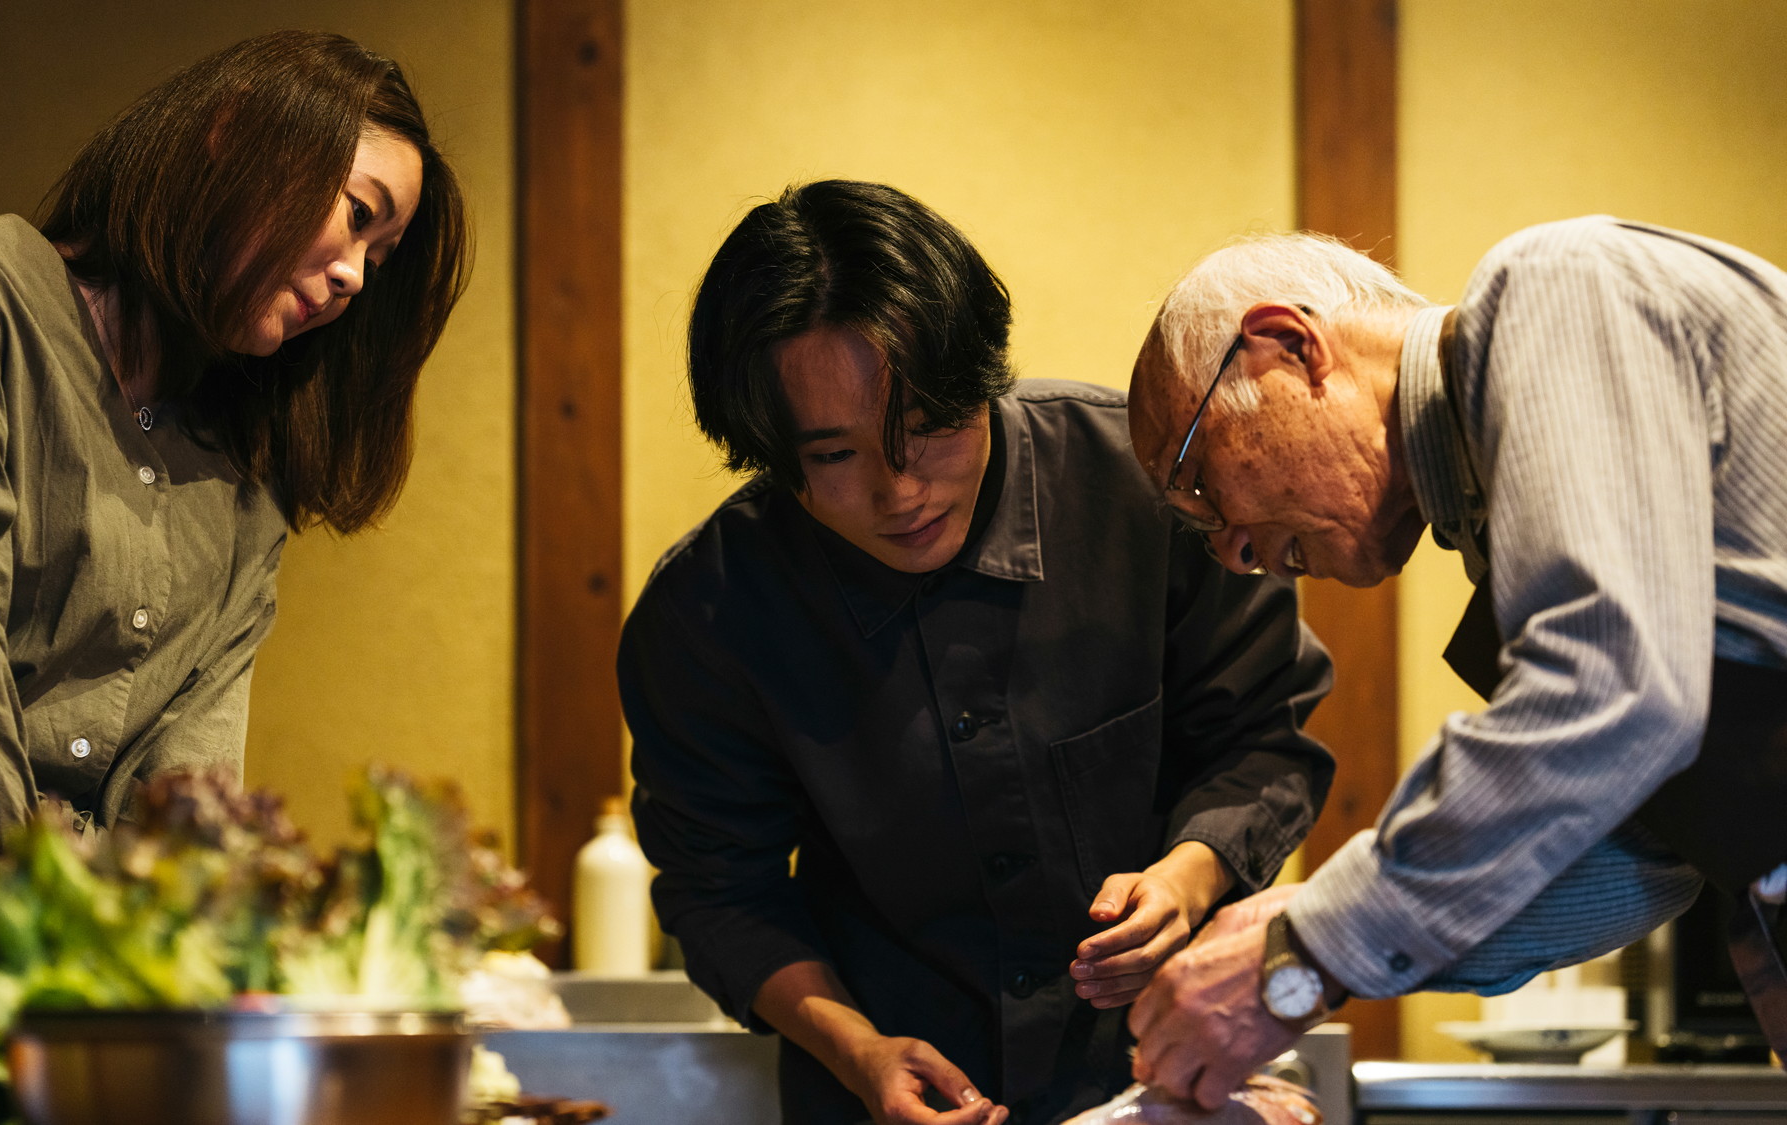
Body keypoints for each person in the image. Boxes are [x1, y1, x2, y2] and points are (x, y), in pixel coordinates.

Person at [620, 180, 1335, 1125]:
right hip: (882, 1094)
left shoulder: (1146, 489)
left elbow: (1265, 733)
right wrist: (856, 1048)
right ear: (764, 447)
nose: (899, 490)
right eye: (835, 457)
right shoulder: (711, 610)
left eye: (927, 429)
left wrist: (1189, 872)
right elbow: (721, 887)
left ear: (981, 379)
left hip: (1159, 1076)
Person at [0, 30, 468, 1018]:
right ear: (231, 136)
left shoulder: (242, 477)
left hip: (75, 1016)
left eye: (380, 254)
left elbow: (190, 788)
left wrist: (209, 965)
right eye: (357, 216)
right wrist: (100, 980)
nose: (357, 276)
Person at [1121, 218, 1787, 1106]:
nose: (1234, 554)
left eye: (1201, 486)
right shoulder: (1493, 530)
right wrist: (1303, 947)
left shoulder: (1557, 283)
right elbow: (1640, 861)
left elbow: (1613, 685)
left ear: (1288, 347)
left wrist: (1315, 943)